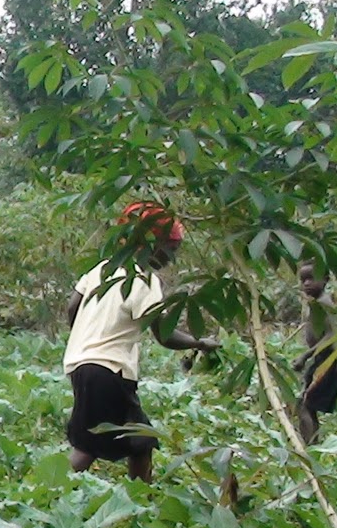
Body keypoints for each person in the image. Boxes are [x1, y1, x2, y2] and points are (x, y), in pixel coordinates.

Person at [63, 202, 220, 483]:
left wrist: (86, 335)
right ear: (150, 243)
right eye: (170, 250)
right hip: (108, 370)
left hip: (81, 365)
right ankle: (49, 491)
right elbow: (164, 335)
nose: (171, 259)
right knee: (89, 447)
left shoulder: (102, 270)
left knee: (140, 441)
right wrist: (201, 343)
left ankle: (141, 499)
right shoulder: (144, 280)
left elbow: (73, 306)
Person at [292, 260, 337, 445]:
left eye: (311, 279)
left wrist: (305, 356)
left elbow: (331, 336)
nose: (306, 283)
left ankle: (310, 447)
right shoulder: (316, 304)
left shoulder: (324, 303)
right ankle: (311, 445)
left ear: (325, 280)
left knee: (305, 404)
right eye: (303, 279)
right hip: (322, 359)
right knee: (306, 405)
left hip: (330, 360)